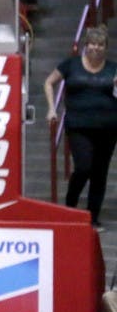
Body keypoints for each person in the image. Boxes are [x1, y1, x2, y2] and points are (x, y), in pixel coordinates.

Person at [44, 25, 117, 229]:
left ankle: (93, 217)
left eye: (100, 45)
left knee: (100, 172)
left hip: (108, 127)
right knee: (84, 166)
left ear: (106, 48)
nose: (96, 48)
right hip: (78, 125)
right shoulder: (71, 65)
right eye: (92, 44)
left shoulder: (113, 68)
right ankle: (70, 206)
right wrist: (52, 108)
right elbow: (50, 82)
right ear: (86, 46)